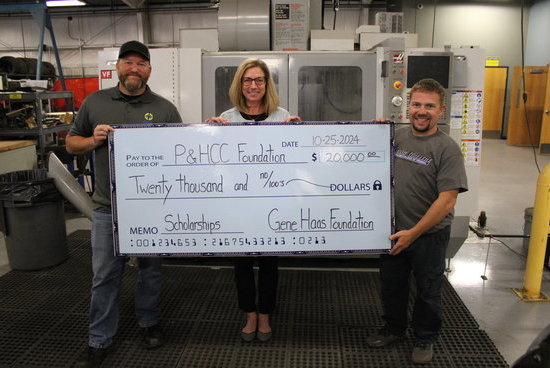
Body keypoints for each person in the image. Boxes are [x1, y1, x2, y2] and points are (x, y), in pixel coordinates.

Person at [66, 40, 182, 367]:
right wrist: (93, 140)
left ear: (149, 69)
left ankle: (148, 323)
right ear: (118, 67)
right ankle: (99, 339)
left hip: (150, 208)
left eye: (141, 63)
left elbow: (180, 153)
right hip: (108, 210)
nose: (134, 69)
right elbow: (72, 144)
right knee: (105, 276)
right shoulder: (95, 102)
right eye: (128, 62)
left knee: (151, 272)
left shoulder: (164, 109)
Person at [367, 78, 468, 364]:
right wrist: (372, 132)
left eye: (429, 106)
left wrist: (414, 232)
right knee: (392, 286)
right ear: (408, 106)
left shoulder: (447, 148)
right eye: (417, 104)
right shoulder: (395, 136)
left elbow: (447, 200)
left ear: (441, 110)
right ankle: (394, 328)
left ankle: (425, 337)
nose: (422, 111)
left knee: (428, 289)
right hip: (394, 232)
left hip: (429, 236)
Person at [207, 58, 300, 342]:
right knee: (242, 263)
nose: (253, 85)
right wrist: (207, 133)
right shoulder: (227, 117)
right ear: (239, 85)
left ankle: (265, 314)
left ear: (267, 85)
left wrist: (301, 134)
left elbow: (296, 161)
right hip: (239, 206)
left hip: (273, 204)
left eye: (259, 80)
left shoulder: (283, 116)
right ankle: (249, 313)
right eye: (247, 80)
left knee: (270, 263)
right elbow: (213, 163)